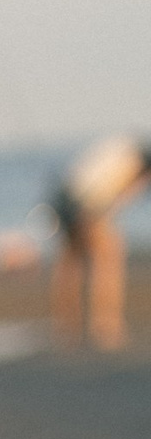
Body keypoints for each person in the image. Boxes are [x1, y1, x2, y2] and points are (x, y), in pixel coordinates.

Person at [48, 135, 148, 352]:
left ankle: (67, 326)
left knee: (70, 265)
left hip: (67, 198)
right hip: (88, 206)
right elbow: (114, 195)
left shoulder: (119, 149)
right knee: (108, 264)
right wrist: (102, 219)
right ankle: (106, 326)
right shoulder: (132, 163)